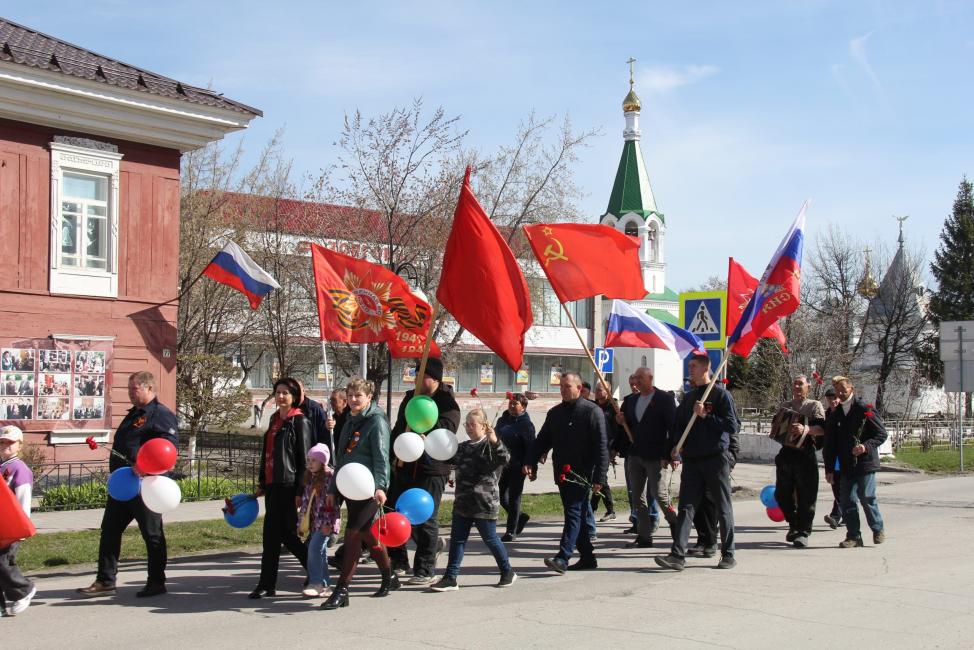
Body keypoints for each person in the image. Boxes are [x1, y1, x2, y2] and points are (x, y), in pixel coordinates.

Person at [78, 371, 178, 598]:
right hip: (124, 485)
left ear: (149, 389)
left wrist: (146, 465)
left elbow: (168, 448)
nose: (130, 393)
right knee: (110, 530)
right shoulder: (134, 414)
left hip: (146, 486)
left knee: (152, 534)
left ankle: (156, 581)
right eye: (129, 389)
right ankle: (105, 580)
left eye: (135, 389)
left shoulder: (160, 414)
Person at [656, 353, 740, 571]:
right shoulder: (689, 397)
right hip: (692, 461)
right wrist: (676, 447)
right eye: (689, 366)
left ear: (705, 369)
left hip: (715, 459)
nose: (689, 370)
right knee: (686, 508)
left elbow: (732, 426)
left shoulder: (721, 396)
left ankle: (728, 554)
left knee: (723, 508)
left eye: (693, 366)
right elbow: (679, 427)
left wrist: (706, 416)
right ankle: (677, 555)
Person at [322, 377, 395, 610]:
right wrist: (334, 489)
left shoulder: (376, 422)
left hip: (370, 489)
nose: (353, 400)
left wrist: (381, 487)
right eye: (350, 395)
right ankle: (390, 576)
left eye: (358, 396)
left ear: (369, 398)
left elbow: (382, 457)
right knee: (367, 535)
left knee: (352, 533)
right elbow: (342, 457)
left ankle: (342, 590)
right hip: (350, 486)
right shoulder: (349, 420)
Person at [388, 357, 460, 585]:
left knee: (425, 517)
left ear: (435, 379)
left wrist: (425, 432)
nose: (417, 380)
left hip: (431, 468)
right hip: (404, 464)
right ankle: (398, 561)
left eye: (422, 376)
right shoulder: (410, 398)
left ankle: (425, 568)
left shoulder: (447, 402)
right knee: (396, 512)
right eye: (415, 376)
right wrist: (393, 454)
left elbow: (447, 431)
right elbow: (399, 428)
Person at [527, 372, 608, 573]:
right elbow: (542, 440)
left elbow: (602, 447)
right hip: (562, 472)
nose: (563, 390)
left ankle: (563, 557)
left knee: (573, 512)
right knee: (577, 515)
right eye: (561, 386)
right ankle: (588, 557)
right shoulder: (555, 413)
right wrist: (531, 461)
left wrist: (600, 477)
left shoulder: (592, 411)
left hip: (582, 473)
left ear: (579, 388)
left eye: (567, 386)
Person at [430, 409, 515, 591]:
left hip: (484, 503)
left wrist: (495, 440)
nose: (468, 428)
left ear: (484, 426)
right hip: (462, 502)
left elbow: (505, 457)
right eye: (466, 424)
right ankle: (451, 577)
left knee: (490, 539)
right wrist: (428, 443)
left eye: (472, 424)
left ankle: (507, 571)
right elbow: (448, 458)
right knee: (457, 540)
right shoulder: (463, 447)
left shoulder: (491, 447)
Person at [248, 377, 314, 599]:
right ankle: (270, 583)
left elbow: (305, 461)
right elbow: (267, 453)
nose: (281, 396)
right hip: (273, 484)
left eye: (285, 392)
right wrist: (262, 483)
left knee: (280, 535)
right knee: (278, 535)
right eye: (278, 392)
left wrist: (300, 491)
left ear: (294, 396)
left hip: (289, 485)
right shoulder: (275, 420)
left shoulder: (300, 421)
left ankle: (270, 583)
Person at [615, 367, 678, 548]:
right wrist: (620, 421)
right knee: (637, 497)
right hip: (635, 455)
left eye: (641, 378)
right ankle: (644, 537)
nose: (637, 381)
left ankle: (676, 525)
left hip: (656, 456)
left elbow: (672, 428)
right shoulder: (632, 400)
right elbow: (625, 425)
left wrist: (671, 454)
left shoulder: (664, 399)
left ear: (650, 378)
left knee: (659, 495)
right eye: (635, 378)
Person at [823, 376, 888, 548]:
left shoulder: (863, 408)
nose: (841, 392)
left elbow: (881, 434)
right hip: (845, 465)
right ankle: (853, 536)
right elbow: (830, 444)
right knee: (847, 501)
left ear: (851, 388)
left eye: (844, 388)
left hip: (865, 463)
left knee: (866, 497)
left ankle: (877, 529)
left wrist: (866, 446)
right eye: (837, 389)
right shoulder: (835, 413)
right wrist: (829, 469)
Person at [770, 375, 827, 548]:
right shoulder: (786, 406)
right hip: (787, 454)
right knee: (781, 494)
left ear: (808, 387)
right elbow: (777, 426)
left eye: (800, 384)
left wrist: (806, 429)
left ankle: (802, 532)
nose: (797, 386)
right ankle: (794, 524)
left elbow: (823, 429)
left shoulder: (814, 406)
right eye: (795, 383)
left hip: (805, 455)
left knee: (806, 496)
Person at [0, 426, 36, 616]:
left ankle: (24, 590)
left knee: (3, 563)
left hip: (12, 526)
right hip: (1, 524)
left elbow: (23, 498)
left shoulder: (19, 469)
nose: (5, 445)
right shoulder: (2, 466)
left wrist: (20, 528)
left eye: (10, 442)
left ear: (19, 445)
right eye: (2, 442)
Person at [298, 443, 340, 599]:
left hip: (326, 523)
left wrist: (328, 524)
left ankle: (316, 582)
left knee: (313, 549)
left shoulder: (329, 478)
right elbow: (305, 502)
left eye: (314, 460)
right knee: (320, 552)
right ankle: (325, 584)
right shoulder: (310, 477)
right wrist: (301, 522)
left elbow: (332, 505)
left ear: (323, 462)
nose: (310, 463)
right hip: (315, 521)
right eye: (308, 460)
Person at [496, 393, 536, 541]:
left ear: (523, 407)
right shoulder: (502, 420)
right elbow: (496, 437)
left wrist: (530, 466)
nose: (512, 406)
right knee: (501, 497)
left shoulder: (526, 425)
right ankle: (521, 517)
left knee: (514, 498)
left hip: (519, 466)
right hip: (502, 464)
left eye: (515, 404)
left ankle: (510, 531)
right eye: (511, 403)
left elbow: (531, 447)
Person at [590, 382, 618, 523]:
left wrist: (614, 449)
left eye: (600, 390)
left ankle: (606, 509)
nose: (597, 392)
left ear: (608, 391)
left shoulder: (613, 407)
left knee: (601, 478)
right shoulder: (593, 406)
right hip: (593, 446)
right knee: (597, 477)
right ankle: (593, 508)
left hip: (607, 447)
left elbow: (616, 430)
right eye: (596, 390)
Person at [821, 387, 844, 529]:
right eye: (830, 399)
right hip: (832, 457)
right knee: (837, 486)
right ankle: (845, 515)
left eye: (835, 398)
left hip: (844, 456)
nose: (833, 401)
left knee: (842, 487)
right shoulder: (827, 415)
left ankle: (836, 516)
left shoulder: (845, 413)